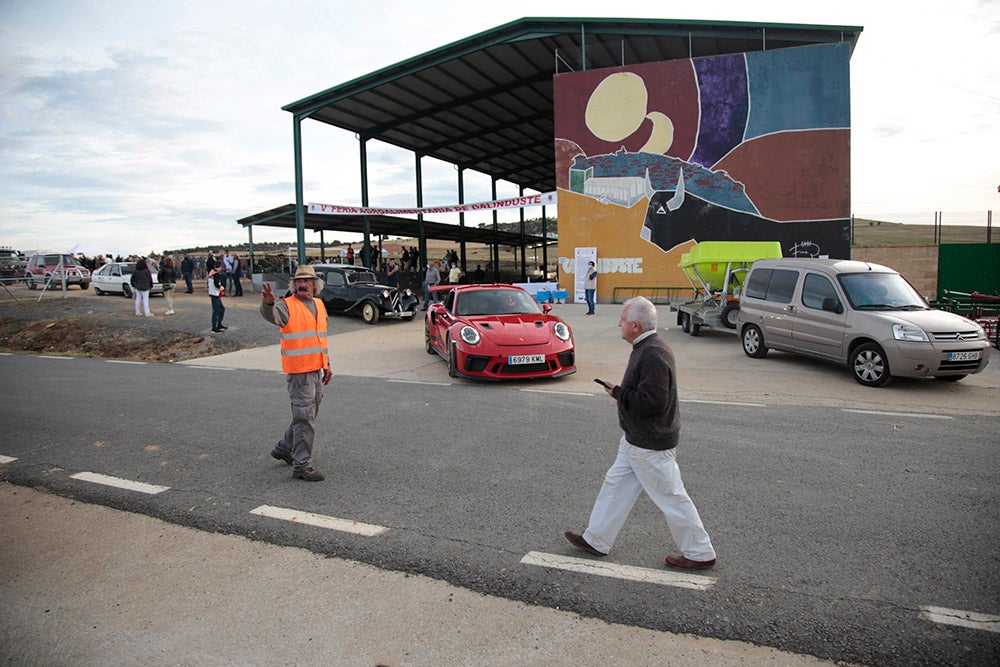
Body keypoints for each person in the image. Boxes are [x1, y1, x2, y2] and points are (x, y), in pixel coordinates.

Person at [565, 296, 717, 570]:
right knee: (615, 484)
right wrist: (621, 393)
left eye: (622, 320)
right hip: (636, 439)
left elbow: (653, 402)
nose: (618, 323)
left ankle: (700, 552)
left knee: (671, 496)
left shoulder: (652, 353)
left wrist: (621, 394)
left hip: (650, 442)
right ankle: (597, 539)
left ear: (635, 325)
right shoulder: (645, 347)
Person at [259, 265, 332, 482]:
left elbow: (320, 339)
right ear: (294, 285)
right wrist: (268, 303)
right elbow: (273, 316)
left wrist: (327, 364)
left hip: (315, 370)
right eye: (298, 281)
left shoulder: (318, 304)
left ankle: (284, 448)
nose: (302, 284)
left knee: (306, 416)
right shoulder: (286, 305)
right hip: (299, 373)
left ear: (315, 285)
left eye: (307, 281)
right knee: (304, 418)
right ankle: (302, 465)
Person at [208, 265, 226, 332]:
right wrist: (221, 288)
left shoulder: (211, 273)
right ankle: (215, 326)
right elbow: (216, 284)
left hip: (213, 293)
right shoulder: (216, 275)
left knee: (220, 309)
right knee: (217, 311)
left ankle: (218, 324)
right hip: (215, 294)